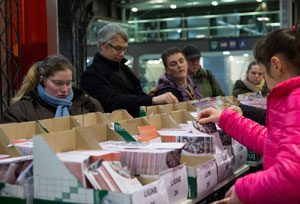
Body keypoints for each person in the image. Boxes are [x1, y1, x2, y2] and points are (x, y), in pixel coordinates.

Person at [198, 22, 300, 204]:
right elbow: (274, 144)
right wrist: (226, 119)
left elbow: (292, 177)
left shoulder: (296, 99)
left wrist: (244, 189)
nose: (264, 79)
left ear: (276, 66)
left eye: (263, 71)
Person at [80, 24, 178, 117]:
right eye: (118, 48)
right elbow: (112, 102)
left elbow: (138, 94)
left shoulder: (123, 69)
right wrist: (152, 100)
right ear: (102, 45)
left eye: (124, 49)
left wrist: (155, 99)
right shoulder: (90, 75)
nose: (122, 54)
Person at [0, 54, 103, 123]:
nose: (65, 89)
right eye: (58, 83)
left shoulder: (89, 104)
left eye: (68, 83)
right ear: (43, 80)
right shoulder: (21, 111)